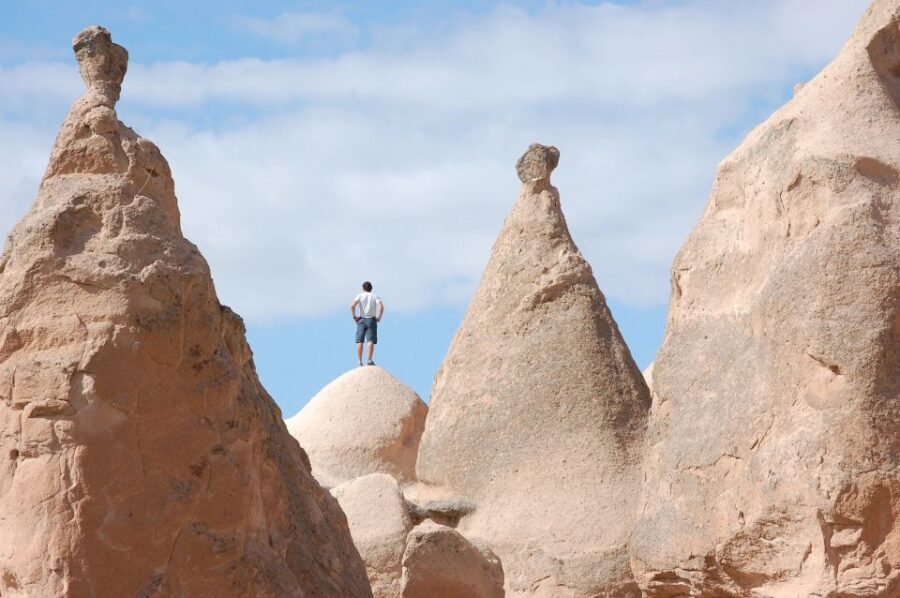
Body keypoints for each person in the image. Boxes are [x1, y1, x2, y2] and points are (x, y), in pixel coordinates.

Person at [351, 281, 384, 366]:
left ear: (363, 288)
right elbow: (381, 306)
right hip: (371, 320)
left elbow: (352, 306)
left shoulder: (360, 296)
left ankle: (359, 361)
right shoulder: (375, 296)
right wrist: (379, 317)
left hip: (361, 319)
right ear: (371, 288)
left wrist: (354, 317)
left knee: (360, 341)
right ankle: (369, 359)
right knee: (370, 340)